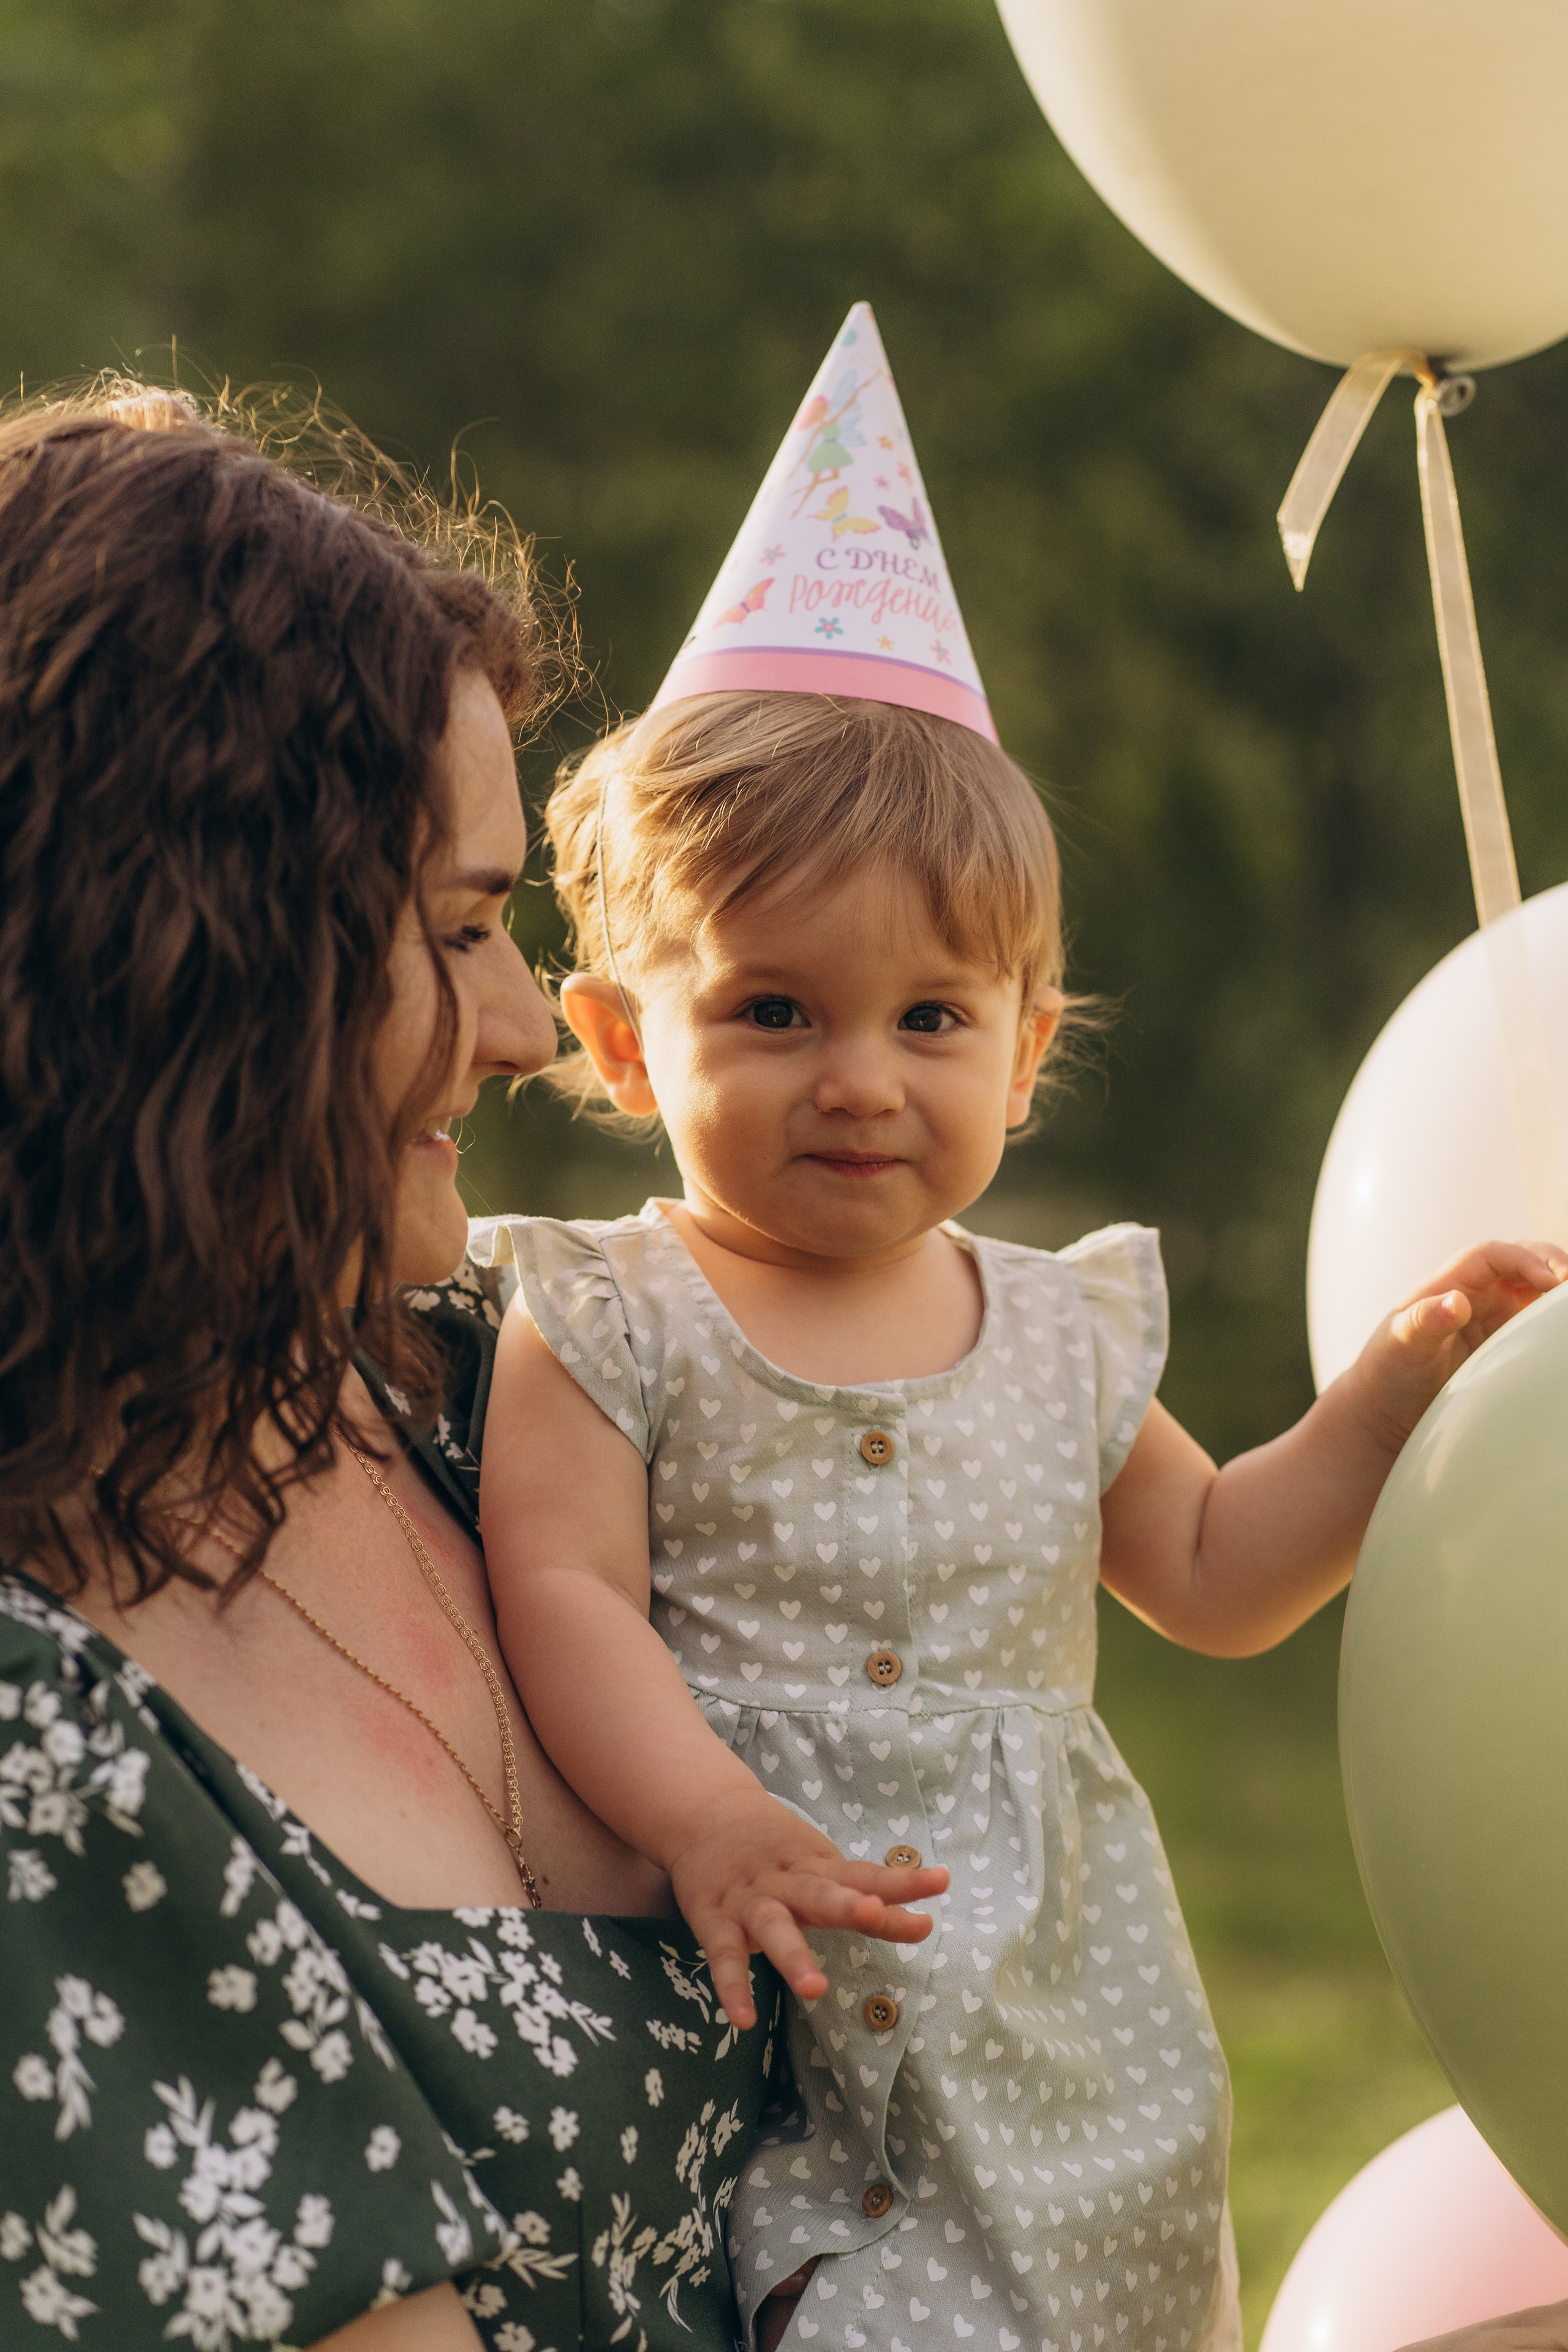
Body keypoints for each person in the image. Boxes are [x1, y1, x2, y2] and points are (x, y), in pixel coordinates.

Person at [468, 303, 1568, 2352]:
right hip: (753, 1955)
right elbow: (567, 1595)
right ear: (625, 1039)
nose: (861, 1079)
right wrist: (708, 1818)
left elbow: (1225, 1572)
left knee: (1110, 2305)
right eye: (774, 1012)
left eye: (932, 1020)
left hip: (1062, 2021)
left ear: (1029, 1048)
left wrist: (1405, 1377)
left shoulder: (1052, 1329)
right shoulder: (617, 1313)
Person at [0, 380, 904, 2351]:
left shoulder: (519, 1392)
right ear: (195, 956)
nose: (526, 1026)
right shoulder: (29, 1719)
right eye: (466, 927)